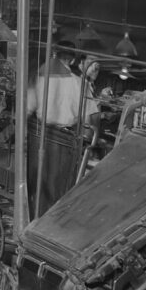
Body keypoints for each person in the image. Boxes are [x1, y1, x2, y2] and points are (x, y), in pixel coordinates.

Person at [26, 44, 101, 216]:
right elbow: (90, 119)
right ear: (73, 60)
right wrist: (91, 140)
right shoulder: (78, 83)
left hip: (38, 135)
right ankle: (50, 221)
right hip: (63, 140)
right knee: (58, 191)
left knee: (37, 185)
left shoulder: (39, 77)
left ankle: (33, 218)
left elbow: (27, 108)